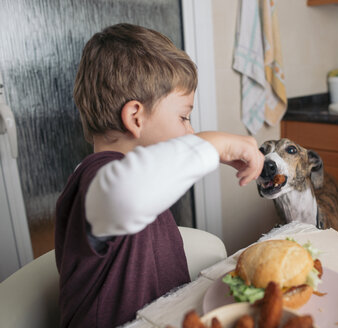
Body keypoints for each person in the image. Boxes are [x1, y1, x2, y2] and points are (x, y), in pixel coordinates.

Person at [55, 23, 264, 327]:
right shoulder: (96, 182)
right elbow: (127, 194)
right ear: (135, 117)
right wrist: (210, 144)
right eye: (184, 117)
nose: (190, 130)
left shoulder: (144, 180)